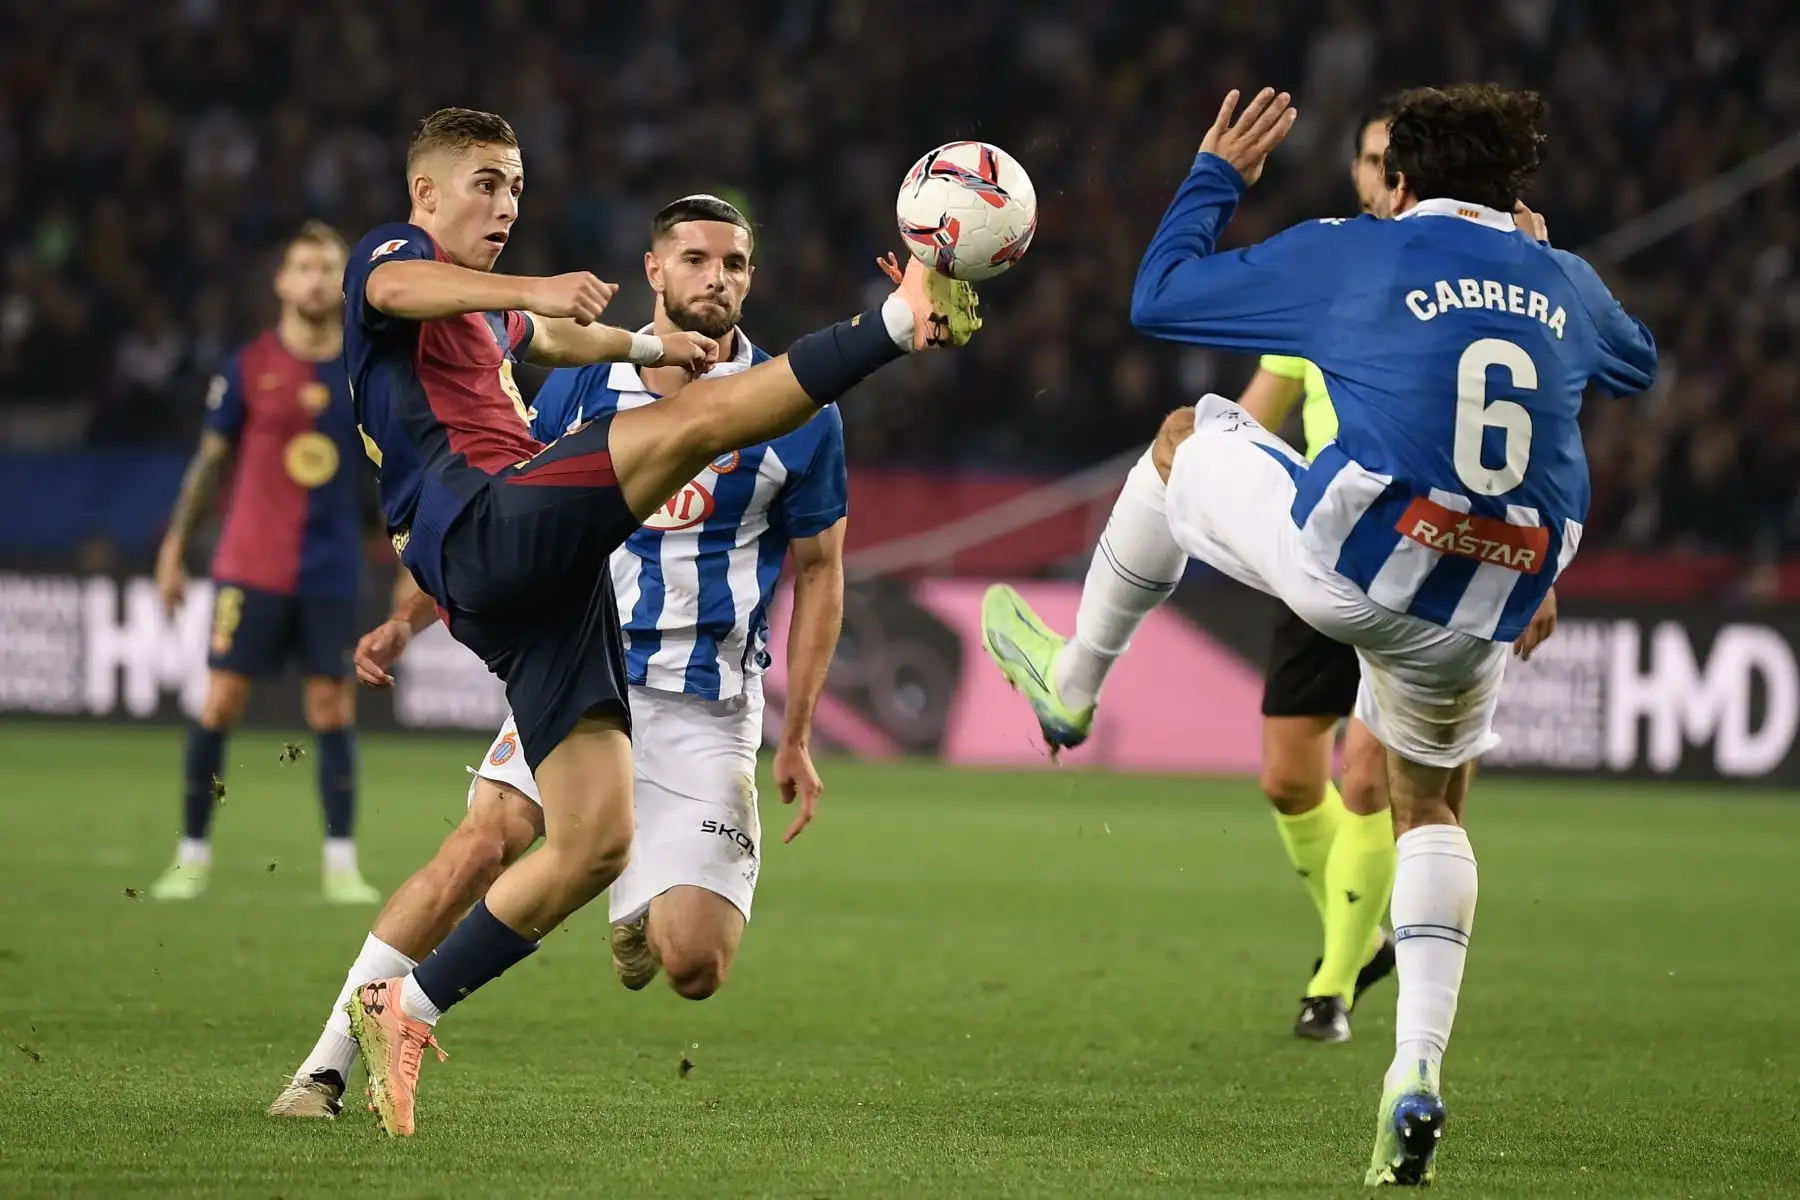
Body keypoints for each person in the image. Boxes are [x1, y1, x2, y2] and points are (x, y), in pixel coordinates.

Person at [993, 85, 1654, 1185]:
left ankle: (1073, 680)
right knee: (1431, 806)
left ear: (1399, 185)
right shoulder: (1566, 283)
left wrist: (1216, 178)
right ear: (1516, 193)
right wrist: (1549, 256)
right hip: (1488, 602)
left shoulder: (1360, 253)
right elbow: (1634, 362)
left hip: (1353, 570)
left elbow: (1156, 300)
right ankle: (1417, 1070)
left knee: (1175, 441)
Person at [338, 108, 974, 1137]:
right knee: (695, 422)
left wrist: (639, 337)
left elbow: (548, 332)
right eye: (487, 184)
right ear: (426, 194)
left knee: (595, 847)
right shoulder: (395, 261)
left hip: (569, 608)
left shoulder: (498, 328)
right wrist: (538, 291)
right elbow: (405, 289)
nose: (506, 205)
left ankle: (400, 1012)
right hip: (483, 529)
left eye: (515, 188)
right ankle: (893, 324)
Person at [268, 194, 848, 1118]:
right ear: (654, 271)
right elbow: (506, 505)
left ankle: (626, 887)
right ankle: (322, 1068)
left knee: (694, 964)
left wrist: (799, 732)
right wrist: (408, 620)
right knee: (475, 849)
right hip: (581, 662)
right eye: (695, 260)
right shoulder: (583, 381)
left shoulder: (798, 411)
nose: (717, 279)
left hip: (707, 706)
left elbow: (821, 572)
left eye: (734, 264)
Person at [150, 221, 380, 905]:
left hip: (333, 570)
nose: (314, 279)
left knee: (331, 707)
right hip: (249, 565)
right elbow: (209, 464)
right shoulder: (247, 365)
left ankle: (342, 865)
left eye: (326, 268)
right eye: (302, 266)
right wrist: (171, 548)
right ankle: (191, 856)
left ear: (342, 284)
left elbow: (391, 470)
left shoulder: (362, 371)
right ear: (281, 282)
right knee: (219, 701)